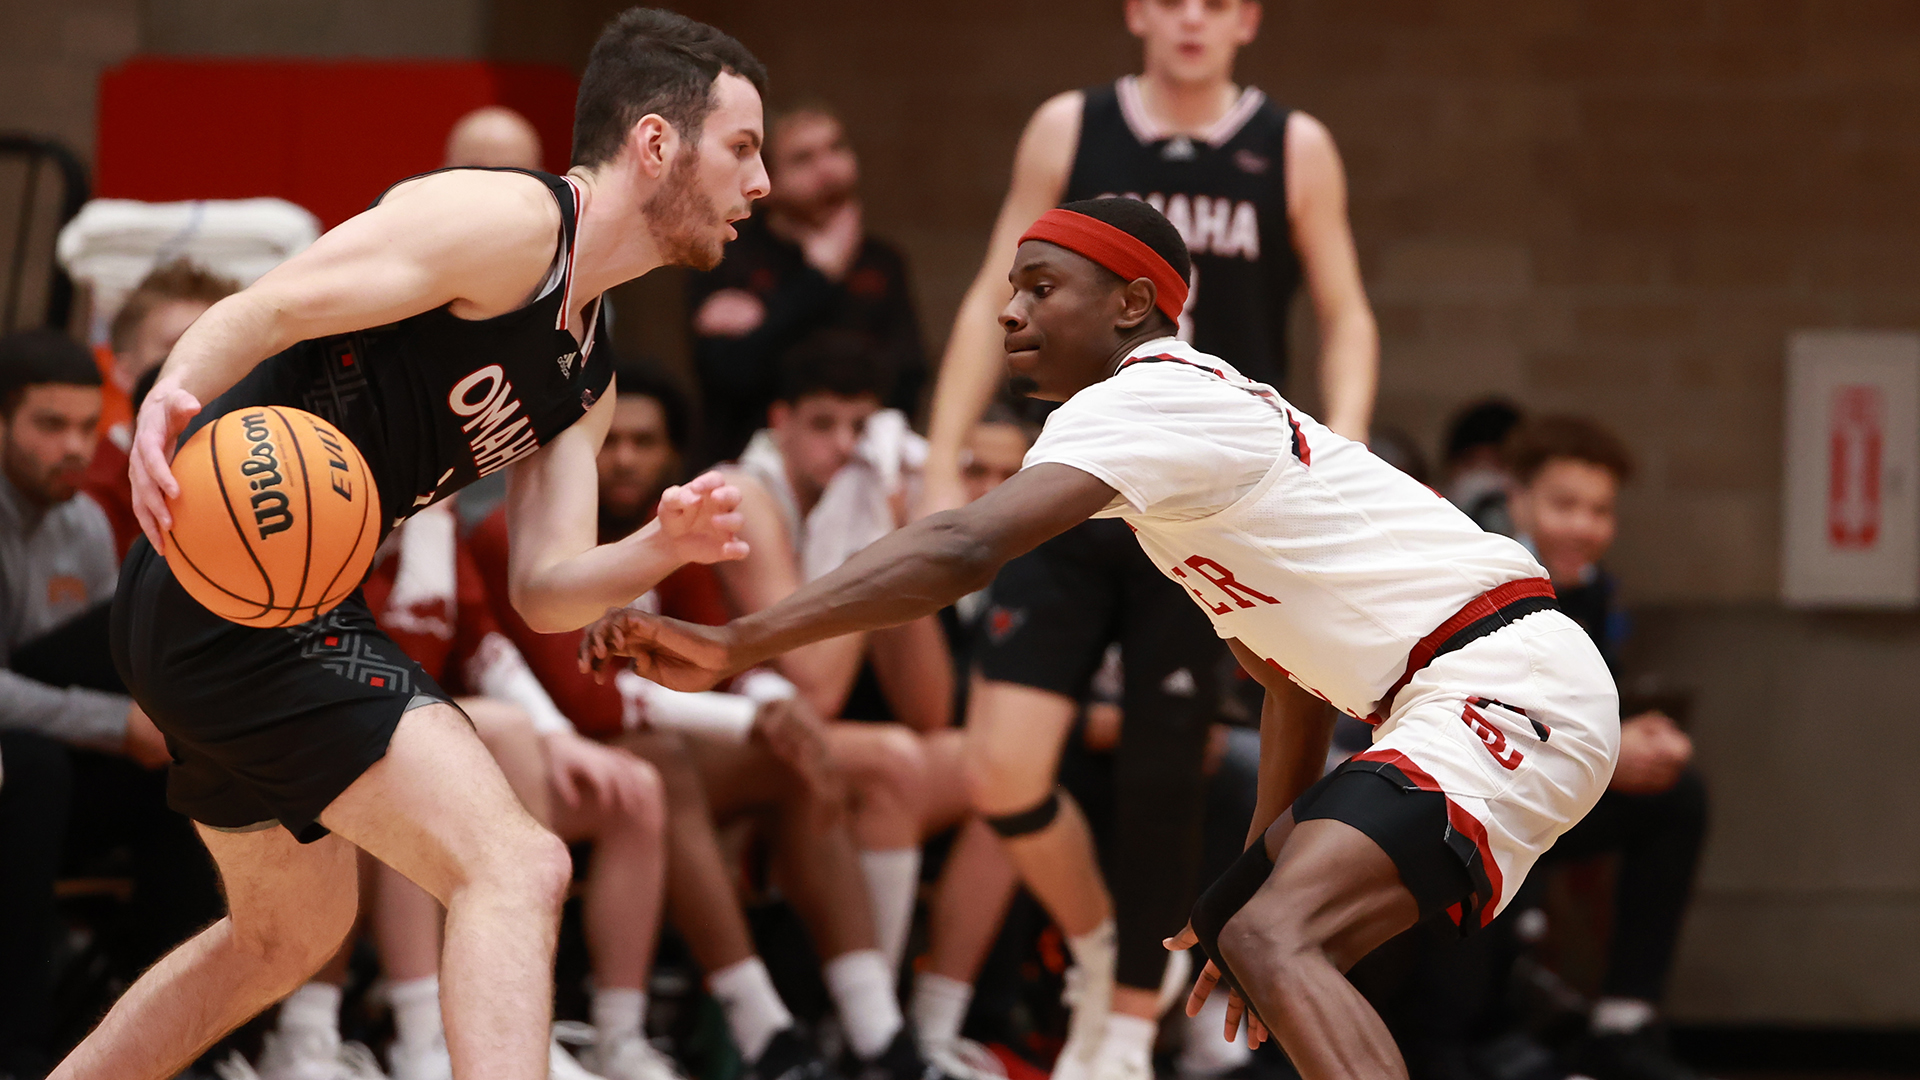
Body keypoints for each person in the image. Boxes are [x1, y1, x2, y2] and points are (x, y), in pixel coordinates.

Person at [583, 199, 1620, 1080]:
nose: (1008, 310)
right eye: (1011, 289)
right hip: (1479, 690)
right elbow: (1289, 683)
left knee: (1276, 940)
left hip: (1498, 679)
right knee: (1266, 940)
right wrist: (1256, 865)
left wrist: (736, 644)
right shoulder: (1179, 461)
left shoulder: (1151, 396)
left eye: (1040, 287)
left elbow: (957, 547)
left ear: (1133, 304)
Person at [57, 11, 765, 1080]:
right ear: (658, 143)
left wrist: (660, 549)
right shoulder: (506, 220)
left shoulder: (589, 367)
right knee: (516, 864)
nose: (758, 185)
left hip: (270, 604)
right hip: (229, 568)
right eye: (743, 148)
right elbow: (277, 302)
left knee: (282, 940)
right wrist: (170, 394)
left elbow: (544, 589)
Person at [915, 3, 1384, 1076]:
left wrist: (1341, 439)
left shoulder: (1292, 146)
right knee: (1000, 766)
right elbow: (1002, 279)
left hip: (1213, 499)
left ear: (1247, 20)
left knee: (1167, 770)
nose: (1190, 17)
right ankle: (1095, 945)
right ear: (1137, 10)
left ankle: (1127, 1022)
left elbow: (1345, 309)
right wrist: (945, 456)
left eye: (1215, 1)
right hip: (1078, 468)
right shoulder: (1068, 128)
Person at [473, 366, 960, 1080]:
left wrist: (770, 703)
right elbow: (592, 696)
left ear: (673, 455)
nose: (627, 458)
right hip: (542, 759)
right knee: (660, 763)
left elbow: (722, 650)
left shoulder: (673, 532)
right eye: (612, 443)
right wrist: (751, 717)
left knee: (797, 755)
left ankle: (876, 1034)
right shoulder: (514, 533)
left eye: (645, 443)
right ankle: (758, 1026)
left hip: (656, 750)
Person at [0, 330, 223, 1080]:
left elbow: (108, 664)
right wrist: (110, 723)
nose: (73, 446)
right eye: (48, 425)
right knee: (31, 768)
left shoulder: (89, 523)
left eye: (86, 428)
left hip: (55, 781)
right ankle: (21, 1050)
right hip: (23, 776)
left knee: (192, 775)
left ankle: (177, 1047)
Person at [1499, 416, 1709, 1080]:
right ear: (1519, 500)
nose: (1585, 527)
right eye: (1566, 506)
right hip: (1474, 792)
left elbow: (1585, 704)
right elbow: (1483, 723)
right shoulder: (1484, 572)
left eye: (1600, 510)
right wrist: (1607, 758)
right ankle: (1489, 1035)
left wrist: (1638, 738)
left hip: (1553, 788)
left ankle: (1622, 1022)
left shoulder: (1591, 587)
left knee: (1677, 794)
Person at [687, 104, 926, 466]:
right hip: (749, 463)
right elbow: (730, 374)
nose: (828, 170)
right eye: (803, 159)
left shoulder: (881, 261)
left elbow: (909, 374)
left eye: (836, 148)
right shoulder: (727, 254)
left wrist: (768, 322)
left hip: (863, 462)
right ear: (769, 180)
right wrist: (817, 279)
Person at [82, 259, 241, 558]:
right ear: (124, 372)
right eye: (178, 346)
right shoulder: (90, 487)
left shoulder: (245, 472)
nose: (204, 364)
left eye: (220, 347)